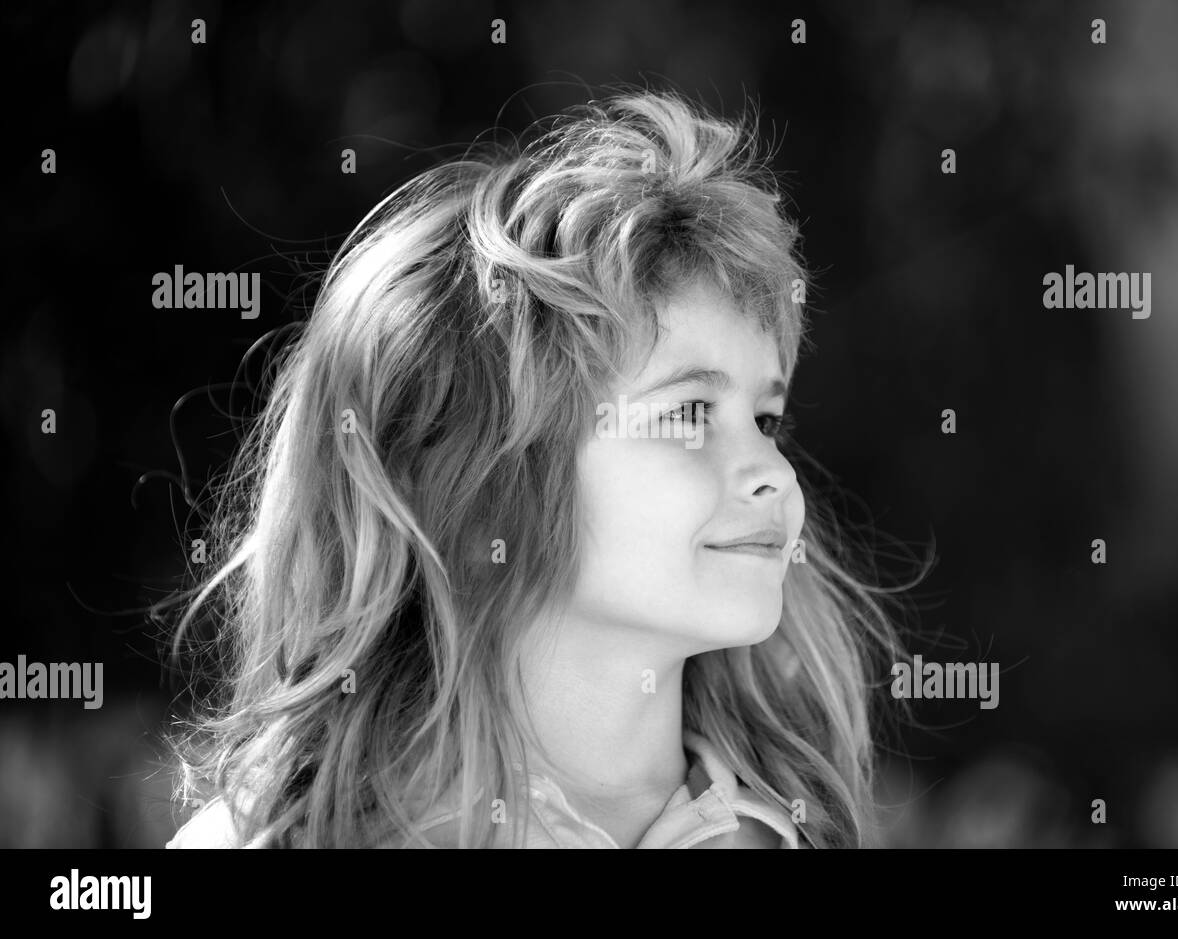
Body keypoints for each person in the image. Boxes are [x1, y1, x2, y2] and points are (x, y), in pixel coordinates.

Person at [164, 88, 910, 849]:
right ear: (475, 476)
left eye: (766, 420)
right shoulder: (290, 838)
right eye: (687, 415)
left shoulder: (801, 827)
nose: (773, 475)